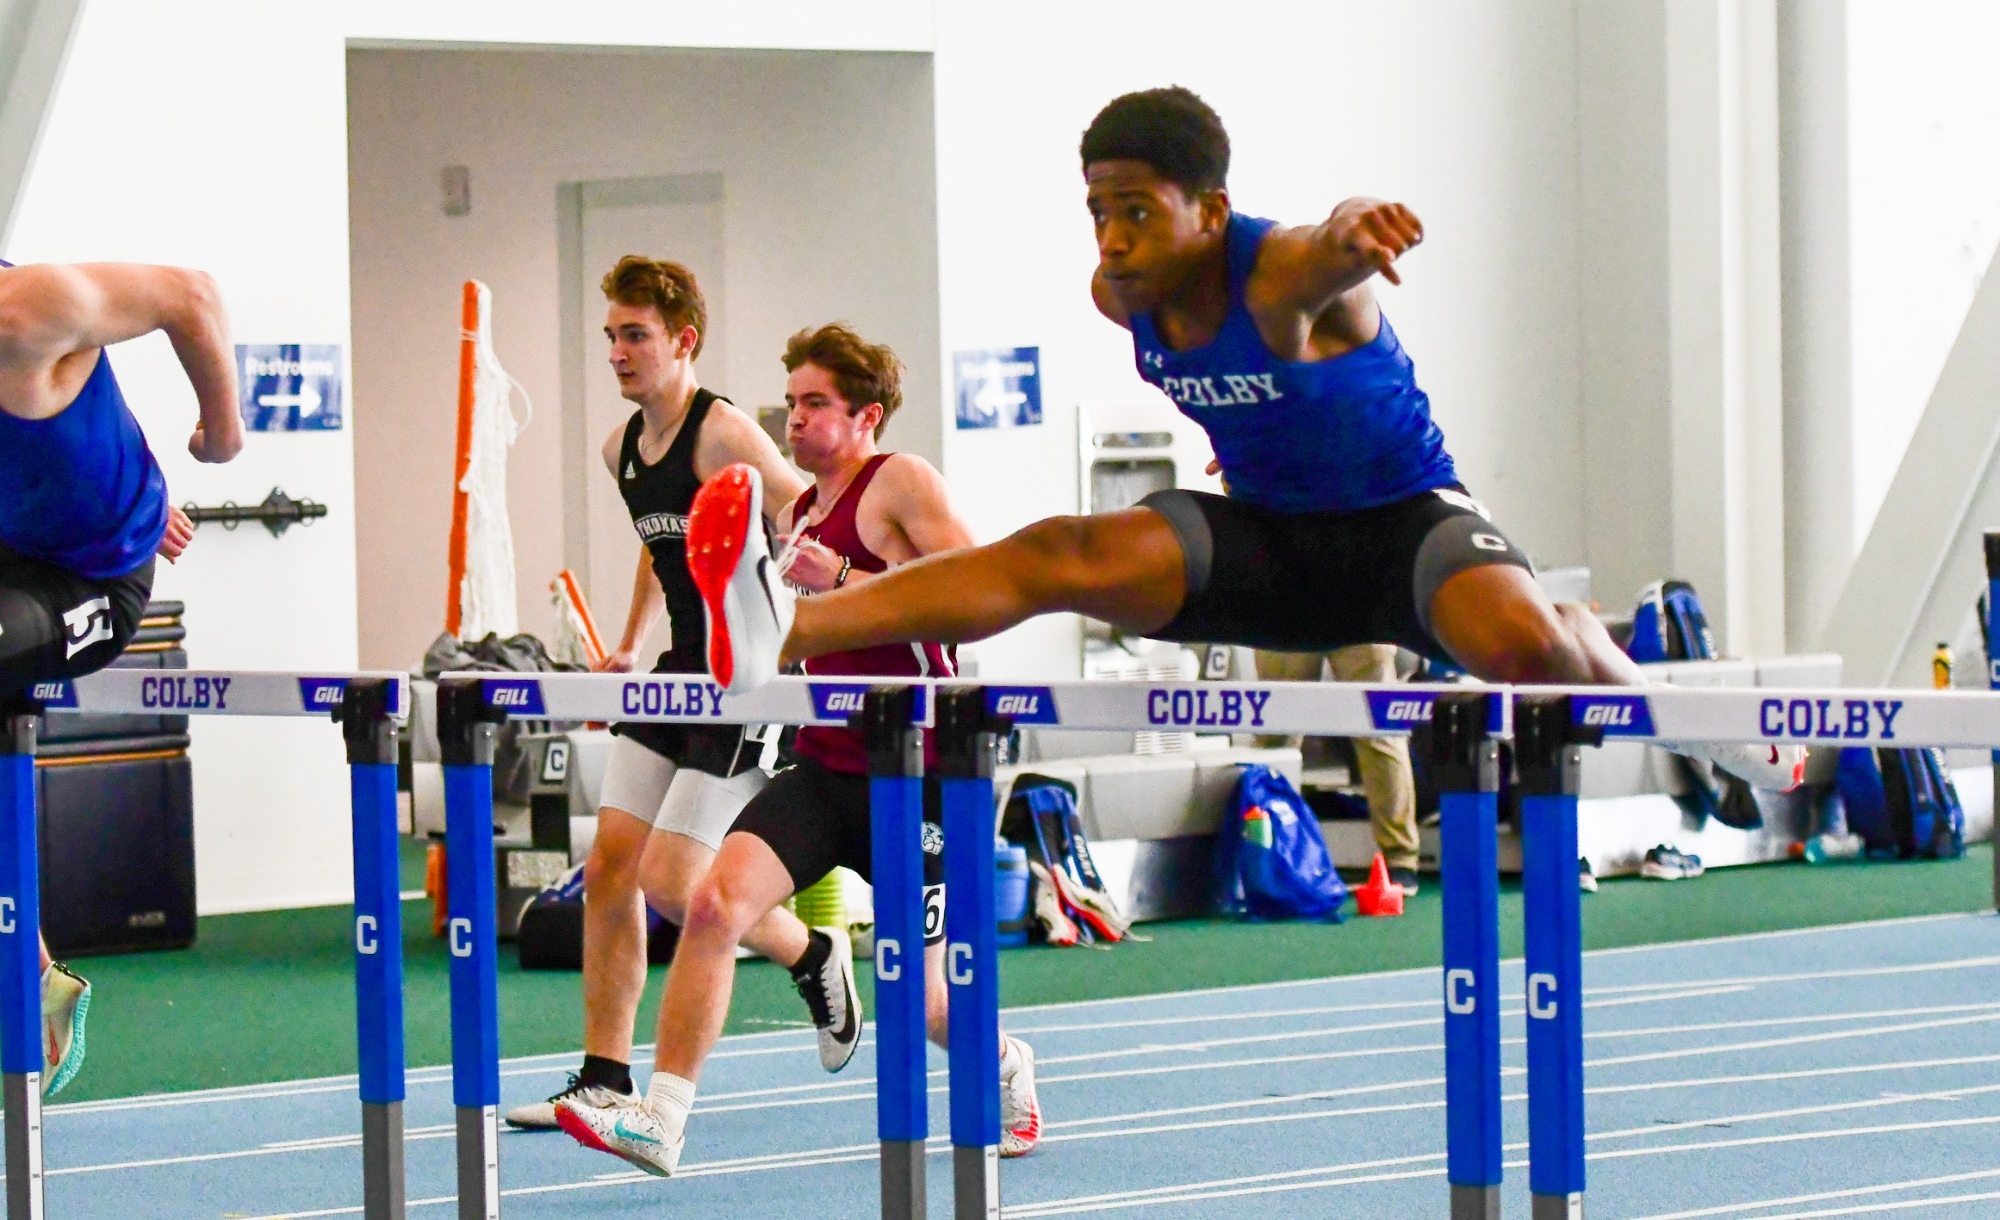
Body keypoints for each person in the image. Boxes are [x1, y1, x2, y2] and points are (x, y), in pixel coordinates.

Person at [687, 86, 1805, 793]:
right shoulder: (1117, 296)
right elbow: (1235, 390)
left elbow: (1330, 248)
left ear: (1209, 213)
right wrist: (1252, 438)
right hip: (1268, 539)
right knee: (1059, 553)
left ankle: (1676, 706)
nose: (1113, 240)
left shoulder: (1280, 276)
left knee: (1530, 655)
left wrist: (1359, 224)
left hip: (1401, 532)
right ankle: (787, 624)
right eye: (1097, 212)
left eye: (1138, 210)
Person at [558, 324, 1041, 1175]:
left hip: (914, 776)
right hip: (825, 765)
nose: (796, 419)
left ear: (867, 416)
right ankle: (662, 1119)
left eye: (817, 403)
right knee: (710, 904)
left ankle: (1006, 1063)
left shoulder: (900, 483)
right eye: (795, 401)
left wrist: (846, 581)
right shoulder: (797, 512)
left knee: (921, 1003)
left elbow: (980, 590)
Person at [506, 257, 853, 1133]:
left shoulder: (726, 432)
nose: (618, 353)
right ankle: (602, 1077)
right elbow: (668, 545)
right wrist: (630, 639)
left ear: (683, 341)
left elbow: (805, 513)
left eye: (635, 336)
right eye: (610, 336)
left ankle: (810, 951)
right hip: (675, 675)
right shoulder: (619, 447)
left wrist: (811, 608)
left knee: (674, 884)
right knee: (610, 871)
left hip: (750, 679)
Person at [0, 259, 240, 1097]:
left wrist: (223, 430)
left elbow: (191, 294)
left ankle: (30, 975)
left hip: (98, 582)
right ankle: (33, 972)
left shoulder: (29, 309)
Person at [1256, 645, 1422, 893]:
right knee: (1274, 731)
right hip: (1285, 612)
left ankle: (1400, 861)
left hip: (1357, 613)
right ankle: (1266, 851)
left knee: (1379, 728)